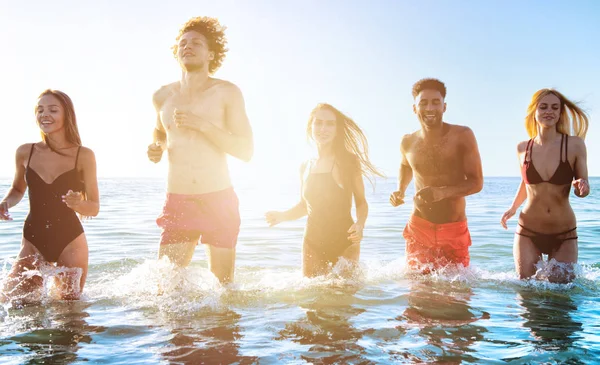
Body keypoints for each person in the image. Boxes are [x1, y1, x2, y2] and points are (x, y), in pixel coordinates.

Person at [147, 16, 253, 284]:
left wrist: (203, 126)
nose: (187, 46)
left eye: (196, 42)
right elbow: (159, 132)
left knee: (223, 289)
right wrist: (157, 148)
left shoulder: (227, 92)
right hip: (178, 200)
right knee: (166, 290)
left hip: (218, 199)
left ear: (211, 53)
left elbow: (246, 150)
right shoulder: (162, 96)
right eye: (183, 43)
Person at [1, 89, 99, 303]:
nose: (45, 114)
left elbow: (94, 207)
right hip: (33, 239)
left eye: (53, 110)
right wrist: (5, 203)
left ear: (67, 115)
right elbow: (18, 190)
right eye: (40, 110)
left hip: (70, 241)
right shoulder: (25, 152)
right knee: (10, 301)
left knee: (69, 312)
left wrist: (79, 204)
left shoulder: (84, 156)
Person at [265, 103, 383, 277]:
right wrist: (282, 216)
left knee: (344, 298)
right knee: (313, 299)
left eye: (330, 124)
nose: (323, 128)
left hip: (345, 240)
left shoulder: (348, 162)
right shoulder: (305, 166)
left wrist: (360, 225)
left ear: (337, 129)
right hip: (312, 241)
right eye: (318, 123)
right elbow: (305, 206)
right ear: (310, 126)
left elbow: (361, 202)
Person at [390, 78, 483, 271]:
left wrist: (442, 193)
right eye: (423, 103)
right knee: (417, 295)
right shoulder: (407, 142)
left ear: (444, 106)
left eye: (435, 102)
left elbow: (476, 183)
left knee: (456, 297)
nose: (429, 108)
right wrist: (400, 190)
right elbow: (405, 165)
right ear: (414, 108)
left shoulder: (462, 135)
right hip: (419, 227)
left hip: (453, 228)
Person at [500, 88, 589, 283]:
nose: (549, 111)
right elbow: (527, 182)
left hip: (564, 233)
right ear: (534, 111)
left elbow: (583, 188)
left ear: (560, 113)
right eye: (544, 107)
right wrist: (513, 208)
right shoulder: (523, 147)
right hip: (528, 230)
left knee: (561, 297)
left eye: (555, 107)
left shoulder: (574, 145)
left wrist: (581, 187)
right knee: (527, 293)